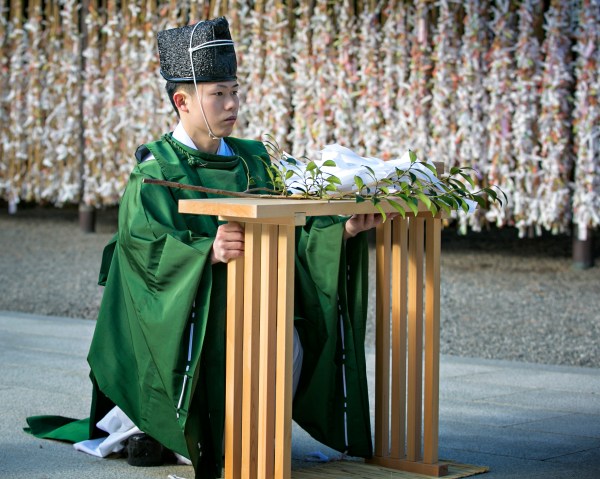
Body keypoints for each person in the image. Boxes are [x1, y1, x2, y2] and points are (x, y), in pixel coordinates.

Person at [28, 17, 384, 479]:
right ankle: (167, 427)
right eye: (219, 93)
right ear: (183, 101)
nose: (232, 103)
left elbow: (294, 232)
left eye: (235, 91)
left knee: (287, 333)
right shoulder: (156, 170)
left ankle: (244, 432)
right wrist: (205, 253)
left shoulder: (256, 160)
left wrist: (342, 230)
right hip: (191, 310)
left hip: (259, 304)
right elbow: (143, 247)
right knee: (222, 340)